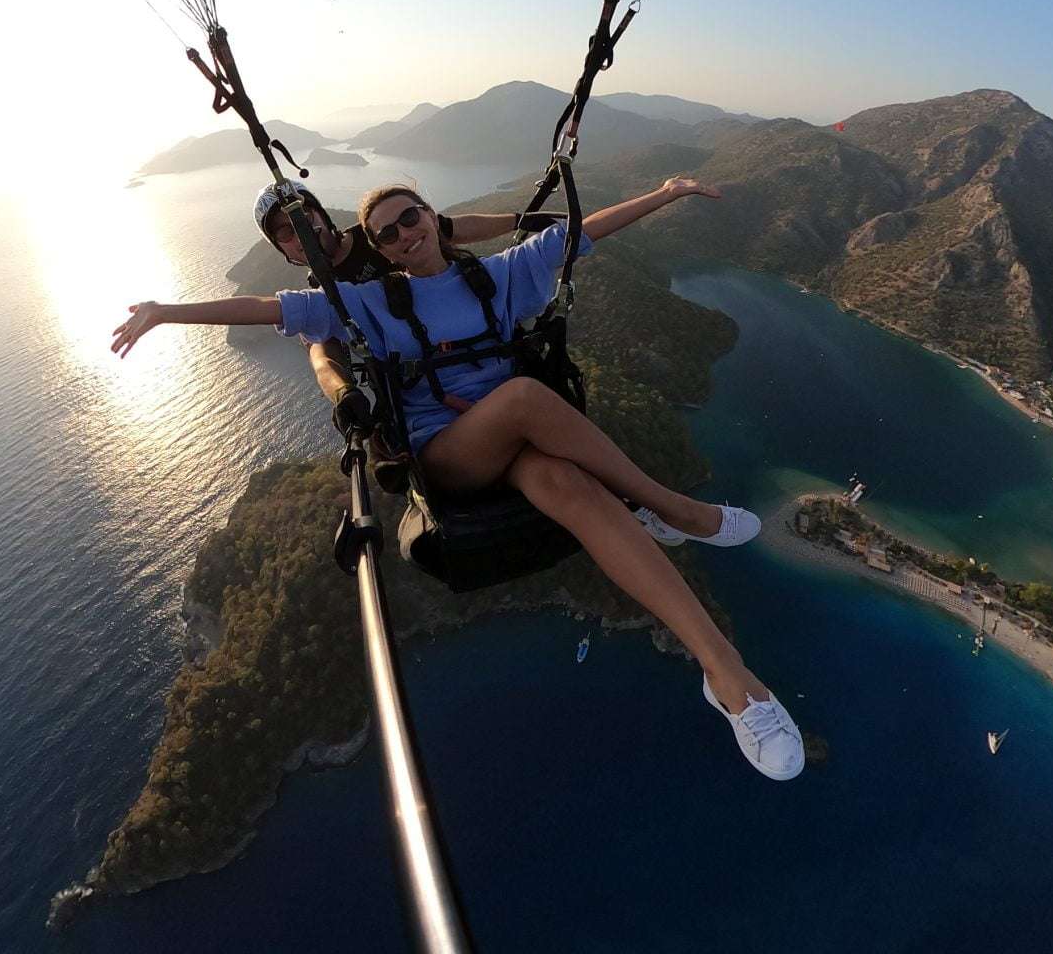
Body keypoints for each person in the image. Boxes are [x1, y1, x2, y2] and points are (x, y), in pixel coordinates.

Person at [112, 178, 804, 780]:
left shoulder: (496, 275)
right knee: (528, 400)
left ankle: (730, 679)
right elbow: (269, 310)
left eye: (411, 218)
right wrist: (167, 313)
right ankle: (675, 509)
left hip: (518, 447)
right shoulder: (367, 303)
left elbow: (578, 234)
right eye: (386, 233)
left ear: (431, 219)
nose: (402, 234)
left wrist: (668, 193)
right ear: (377, 250)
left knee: (573, 489)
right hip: (446, 455)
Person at [253, 184, 562, 438]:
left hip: (473, 331)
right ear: (282, 249)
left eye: (302, 216)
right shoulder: (323, 289)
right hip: (424, 384)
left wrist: (521, 220)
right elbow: (322, 351)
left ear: (319, 213)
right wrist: (342, 393)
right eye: (284, 234)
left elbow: (446, 229)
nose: (299, 234)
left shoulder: (375, 233)